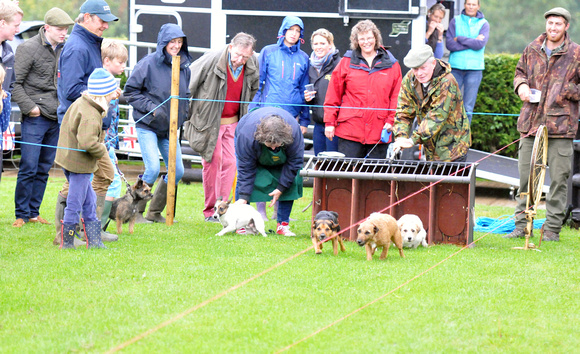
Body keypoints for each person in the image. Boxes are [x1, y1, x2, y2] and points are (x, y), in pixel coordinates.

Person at [504, 7, 580, 242]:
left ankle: (552, 229)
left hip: (561, 128)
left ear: (566, 26)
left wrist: (568, 90)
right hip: (530, 125)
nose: (553, 28)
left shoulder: (576, 53)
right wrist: (522, 87)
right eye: (550, 23)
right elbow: (519, 73)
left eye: (558, 24)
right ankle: (521, 226)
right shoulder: (532, 49)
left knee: (559, 181)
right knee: (526, 179)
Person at [54, 0, 119, 245]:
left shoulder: (90, 43)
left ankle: (91, 228)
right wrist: (103, 95)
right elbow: (72, 90)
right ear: (87, 17)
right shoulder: (77, 47)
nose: (105, 26)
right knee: (79, 181)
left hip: (93, 122)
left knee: (101, 175)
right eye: (102, 21)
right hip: (81, 127)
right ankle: (65, 234)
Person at [184, 32, 259, 222]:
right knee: (212, 160)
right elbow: (188, 83)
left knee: (231, 163)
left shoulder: (252, 62)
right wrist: (185, 110)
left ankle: (224, 208)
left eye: (245, 57)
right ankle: (210, 210)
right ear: (231, 47)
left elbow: (253, 87)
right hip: (209, 121)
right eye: (238, 55)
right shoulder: (211, 59)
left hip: (233, 121)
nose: (241, 60)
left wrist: (244, 108)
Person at [12, 8, 74, 228]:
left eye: (66, 29)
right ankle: (20, 213)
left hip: (56, 116)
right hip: (36, 117)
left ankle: (33, 212)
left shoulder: (66, 49)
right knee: (29, 165)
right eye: (59, 29)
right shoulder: (27, 48)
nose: (63, 33)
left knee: (45, 166)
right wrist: (31, 109)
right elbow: (15, 84)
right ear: (46, 27)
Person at [124, 23, 192, 223]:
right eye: (172, 41)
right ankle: (135, 212)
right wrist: (152, 109)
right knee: (152, 168)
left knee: (178, 171)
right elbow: (130, 92)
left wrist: (183, 114)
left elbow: (185, 95)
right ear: (163, 42)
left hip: (169, 128)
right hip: (148, 125)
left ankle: (154, 212)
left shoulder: (184, 66)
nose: (176, 46)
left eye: (179, 42)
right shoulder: (148, 63)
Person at [249, 16, 309, 220]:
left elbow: (305, 89)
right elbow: (259, 83)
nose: (294, 33)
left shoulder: (303, 58)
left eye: (298, 30)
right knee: (262, 161)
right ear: (283, 30)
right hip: (266, 115)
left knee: (287, 163)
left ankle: (280, 212)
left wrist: (305, 120)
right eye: (290, 29)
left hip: (291, 117)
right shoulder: (268, 52)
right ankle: (260, 211)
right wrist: (252, 112)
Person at [54, 68, 118, 249]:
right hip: (78, 165)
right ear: (104, 93)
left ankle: (95, 241)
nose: (115, 95)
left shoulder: (83, 102)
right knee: (74, 205)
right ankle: (67, 242)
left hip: (71, 161)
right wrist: (102, 149)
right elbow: (87, 143)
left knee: (89, 202)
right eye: (112, 91)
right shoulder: (90, 114)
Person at [324, 19, 402, 158]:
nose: (366, 42)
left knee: (375, 178)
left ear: (376, 38)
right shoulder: (346, 62)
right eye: (362, 39)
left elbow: (396, 96)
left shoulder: (392, 64)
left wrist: (391, 120)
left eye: (370, 38)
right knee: (347, 177)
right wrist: (330, 122)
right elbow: (333, 94)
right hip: (350, 132)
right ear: (356, 41)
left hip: (379, 132)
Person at [392, 45, 471, 162]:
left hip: (453, 147)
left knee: (448, 180)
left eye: (423, 68)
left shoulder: (447, 82)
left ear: (433, 63)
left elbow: (437, 116)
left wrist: (412, 140)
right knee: (431, 179)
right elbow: (403, 111)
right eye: (415, 69)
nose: (419, 73)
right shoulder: (410, 79)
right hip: (430, 147)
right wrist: (401, 137)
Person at [235, 107, 304, 236]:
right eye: (269, 144)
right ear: (261, 138)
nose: (273, 148)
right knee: (243, 183)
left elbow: (294, 163)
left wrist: (281, 188)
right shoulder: (246, 136)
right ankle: (242, 224)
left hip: (285, 156)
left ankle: (283, 225)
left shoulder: (294, 132)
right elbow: (246, 169)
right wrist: (244, 196)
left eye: (276, 145)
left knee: (292, 178)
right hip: (251, 145)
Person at [100, 39, 128, 233]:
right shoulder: (103, 81)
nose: (123, 66)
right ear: (107, 60)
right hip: (102, 141)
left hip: (107, 142)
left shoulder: (109, 81)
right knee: (113, 181)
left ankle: (96, 225)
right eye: (120, 62)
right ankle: (98, 226)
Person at [446, 0, 489, 123]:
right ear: (464, 5)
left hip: (474, 69)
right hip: (455, 67)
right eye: (468, 4)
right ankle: (450, 137)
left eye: (473, 4)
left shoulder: (484, 24)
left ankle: (464, 139)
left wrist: (459, 38)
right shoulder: (455, 21)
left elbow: (479, 44)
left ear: (478, 6)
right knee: (452, 104)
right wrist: (472, 41)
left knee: (468, 108)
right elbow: (450, 45)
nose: (471, 7)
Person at [304, 28, 340, 155]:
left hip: (336, 125)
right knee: (319, 162)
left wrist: (333, 122)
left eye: (322, 43)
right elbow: (310, 98)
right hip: (318, 124)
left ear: (330, 44)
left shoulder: (339, 64)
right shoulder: (310, 66)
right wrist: (308, 98)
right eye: (315, 43)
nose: (318, 47)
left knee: (334, 166)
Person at [0, 0, 22, 182]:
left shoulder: (8, 52)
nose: (18, 29)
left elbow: (11, 84)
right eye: (15, 25)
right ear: (2, 23)